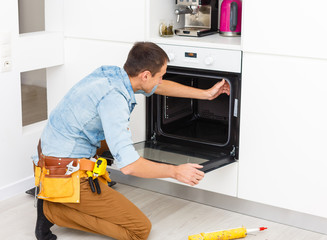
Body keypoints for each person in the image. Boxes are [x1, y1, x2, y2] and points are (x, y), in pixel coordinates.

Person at [33, 42, 230, 240]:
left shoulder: (112, 75)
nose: (161, 81)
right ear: (145, 75)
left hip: (50, 148)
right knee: (139, 229)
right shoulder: (114, 100)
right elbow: (129, 166)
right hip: (62, 170)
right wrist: (175, 171)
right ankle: (52, 209)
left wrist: (206, 94)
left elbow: (158, 87)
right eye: (160, 76)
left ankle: (62, 196)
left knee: (115, 136)